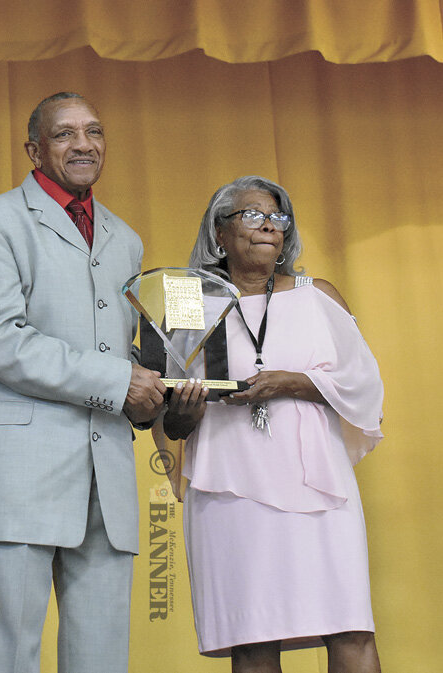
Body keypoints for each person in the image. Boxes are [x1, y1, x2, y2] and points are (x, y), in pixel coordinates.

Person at [0, 91, 166, 673]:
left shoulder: (125, 239)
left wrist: (155, 387)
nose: (83, 144)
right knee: (7, 653)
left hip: (108, 471)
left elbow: (115, 350)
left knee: (101, 657)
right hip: (21, 469)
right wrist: (119, 379)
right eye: (65, 133)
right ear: (34, 148)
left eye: (94, 132)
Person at [161, 176, 383, 673]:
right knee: (253, 638)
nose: (268, 226)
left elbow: (366, 387)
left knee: (351, 628)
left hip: (319, 487)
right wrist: (186, 409)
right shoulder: (189, 302)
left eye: (278, 217)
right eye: (252, 215)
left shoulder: (317, 294)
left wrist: (290, 383)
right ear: (219, 232)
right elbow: (171, 422)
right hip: (229, 489)